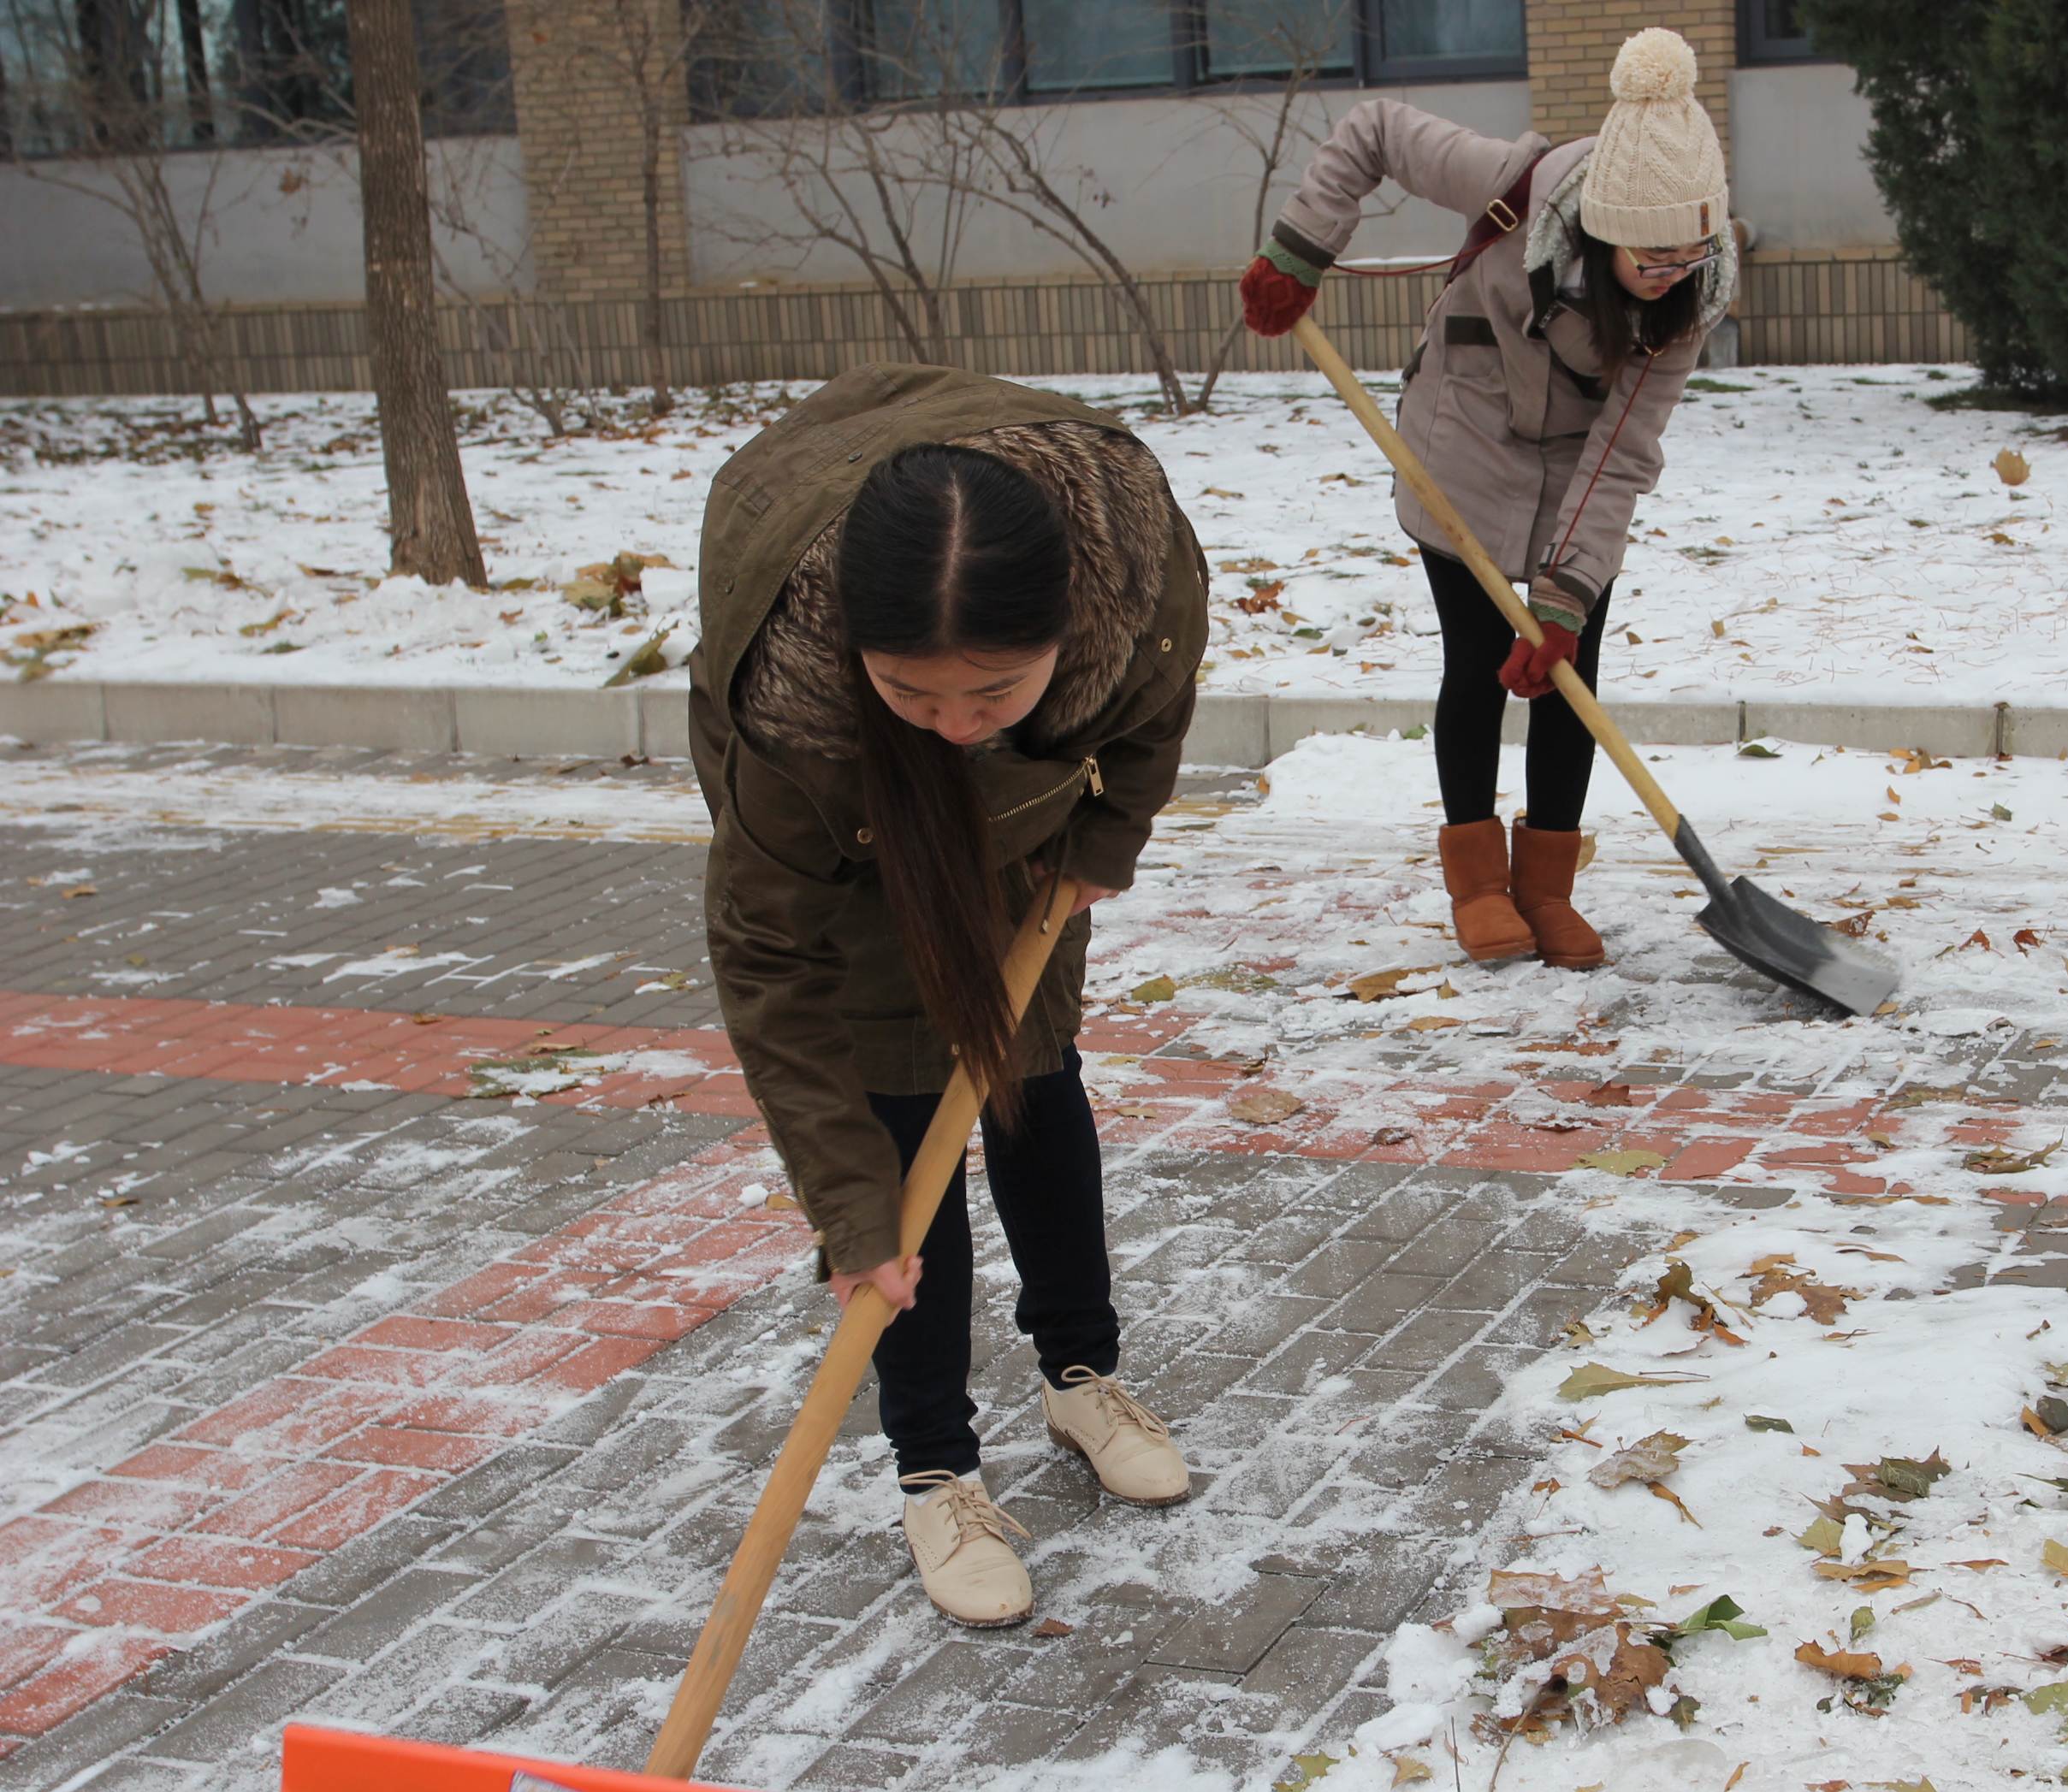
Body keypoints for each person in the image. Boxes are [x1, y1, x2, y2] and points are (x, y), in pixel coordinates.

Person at [691, 368, 1206, 1629]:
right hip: (867, 844)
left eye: (994, 694)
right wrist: (850, 1211)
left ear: (1065, 636)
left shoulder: (1133, 575)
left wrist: (1104, 841)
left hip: (1025, 844)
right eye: (916, 692)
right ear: (861, 651)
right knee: (906, 1146)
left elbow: (1154, 705)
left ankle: (1083, 1376)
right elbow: (768, 961)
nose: (956, 724)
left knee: (1035, 1083)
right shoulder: (796, 719)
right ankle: (936, 1469)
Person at [1239, 25, 1736, 971]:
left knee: (1568, 676)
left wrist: (1564, 595)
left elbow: (1623, 452)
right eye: (1651, 257)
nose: (1668, 276)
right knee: (1475, 665)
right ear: (1605, 223)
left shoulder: (1687, 301)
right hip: (1460, 446)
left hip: (1574, 475)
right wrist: (1303, 247)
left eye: (1687, 257)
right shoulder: (1518, 183)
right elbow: (1377, 129)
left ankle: (1546, 888)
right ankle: (1476, 882)